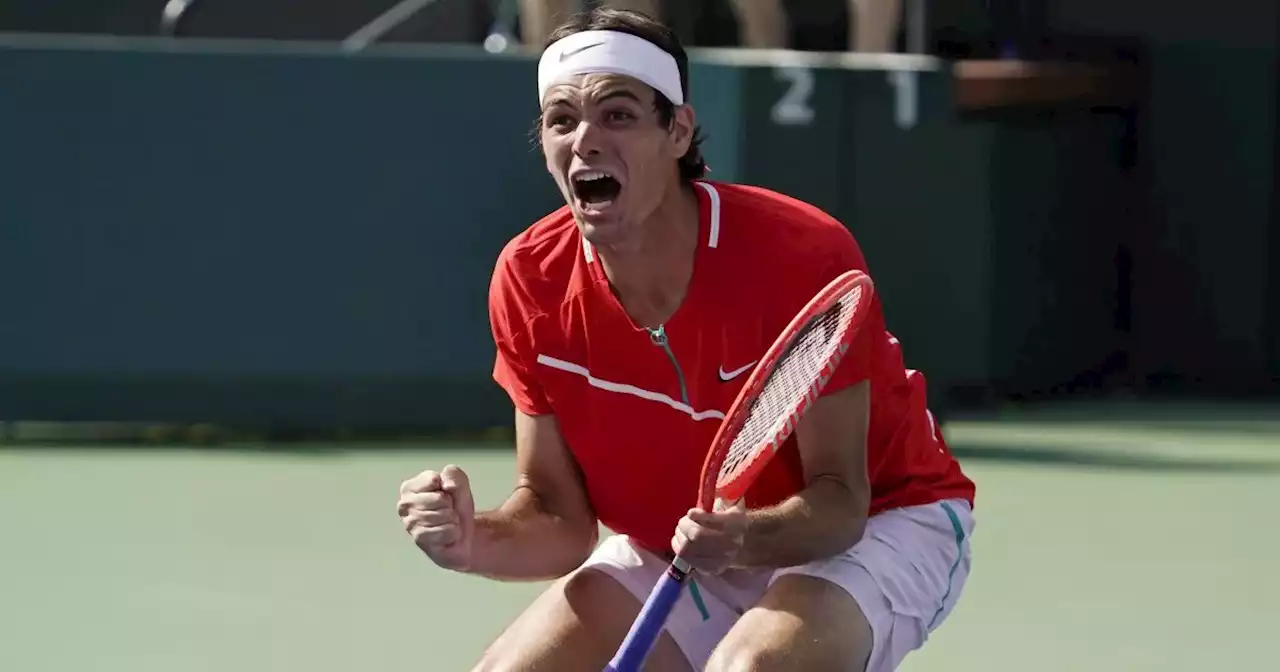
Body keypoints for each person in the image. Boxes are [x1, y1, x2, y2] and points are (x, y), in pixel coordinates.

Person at [396, 8, 976, 671]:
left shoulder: (798, 252)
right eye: (561, 120)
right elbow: (559, 519)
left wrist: (743, 538)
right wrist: (473, 540)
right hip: (687, 543)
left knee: (753, 667)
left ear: (678, 130)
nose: (584, 139)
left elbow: (840, 501)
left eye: (617, 115)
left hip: (884, 522)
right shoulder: (530, 279)